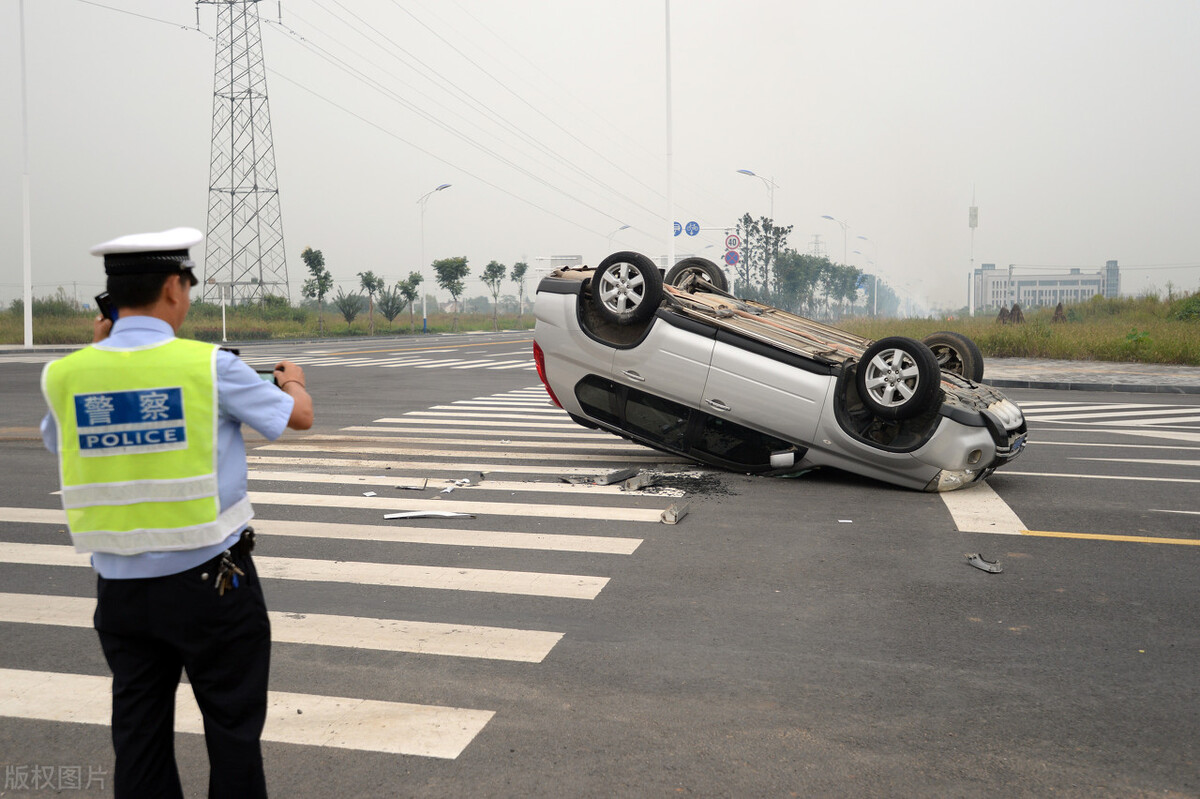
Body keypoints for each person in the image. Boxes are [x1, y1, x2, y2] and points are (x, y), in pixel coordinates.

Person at [40, 227, 313, 798]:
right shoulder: (207, 366)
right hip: (210, 586)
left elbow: (58, 438)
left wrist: (97, 352)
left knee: (138, 735)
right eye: (187, 287)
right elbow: (297, 418)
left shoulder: (66, 374)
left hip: (120, 593)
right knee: (232, 729)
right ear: (171, 287)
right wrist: (296, 382)